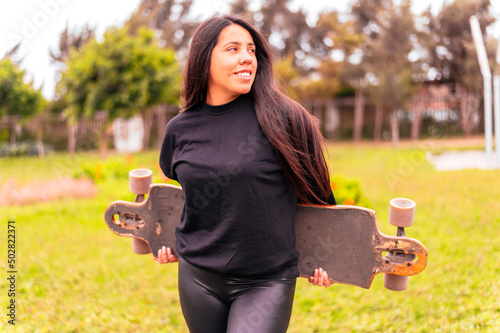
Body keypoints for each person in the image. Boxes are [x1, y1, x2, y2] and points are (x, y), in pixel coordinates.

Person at [157, 14, 336, 333]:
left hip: (265, 281)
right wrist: (167, 240)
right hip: (197, 276)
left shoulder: (285, 119)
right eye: (233, 49)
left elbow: (319, 195)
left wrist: (330, 254)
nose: (246, 58)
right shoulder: (179, 129)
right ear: (204, 59)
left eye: (251, 50)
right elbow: (185, 197)